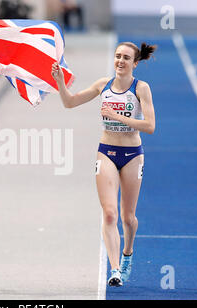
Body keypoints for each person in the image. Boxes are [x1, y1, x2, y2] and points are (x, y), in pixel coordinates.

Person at [51, 42, 156, 286]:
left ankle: (128, 253)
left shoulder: (141, 88)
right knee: (109, 214)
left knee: (128, 218)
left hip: (132, 154)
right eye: (118, 56)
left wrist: (117, 116)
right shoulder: (103, 85)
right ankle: (115, 269)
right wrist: (59, 81)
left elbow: (150, 126)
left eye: (126, 58)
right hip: (107, 152)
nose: (120, 61)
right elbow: (70, 103)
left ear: (135, 63)